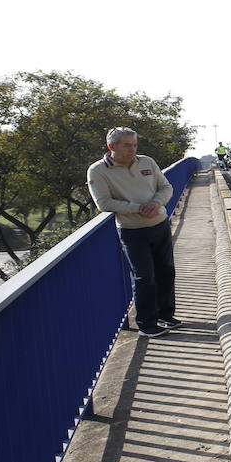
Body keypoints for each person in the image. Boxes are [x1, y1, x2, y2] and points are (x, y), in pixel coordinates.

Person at [87, 127, 179, 337]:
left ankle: (166, 315)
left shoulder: (146, 162)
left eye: (134, 144)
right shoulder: (98, 170)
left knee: (166, 271)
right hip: (132, 230)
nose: (132, 149)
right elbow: (103, 203)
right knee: (144, 277)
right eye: (127, 145)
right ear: (112, 146)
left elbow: (166, 187)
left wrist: (156, 202)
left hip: (159, 223)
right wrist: (138, 208)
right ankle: (147, 324)